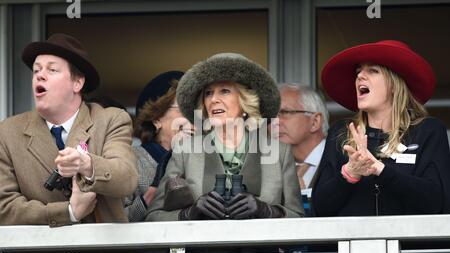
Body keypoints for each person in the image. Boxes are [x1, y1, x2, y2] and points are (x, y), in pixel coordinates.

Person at [0, 33, 138, 226]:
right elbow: (3, 208)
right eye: (36, 70)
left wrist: (87, 165)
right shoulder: (7, 132)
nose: (39, 75)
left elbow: (127, 178)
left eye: (52, 70)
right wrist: (69, 212)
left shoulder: (110, 120)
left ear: (77, 83)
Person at [146, 53, 304, 221]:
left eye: (224, 91)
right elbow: (153, 217)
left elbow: (298, 217)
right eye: (208, 93)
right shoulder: (185, 150)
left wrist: (268, 211)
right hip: (204, 246)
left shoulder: (280, 152)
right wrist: (188, 214)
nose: (213, 99)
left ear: (245, 101)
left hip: (261, 247)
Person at [314, 40, 450, 216]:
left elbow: (437, 203)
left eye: (373, 70)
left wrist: (380, 170)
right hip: (352, 243)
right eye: (358, 71)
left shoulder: (427, 131)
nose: (360, 76)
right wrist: (350, 173)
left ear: (394, 85)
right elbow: (319, 210)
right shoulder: (342, 133)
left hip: (410, 243)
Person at [124, 71, 194, 222]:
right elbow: (115, 222)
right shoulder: (129, 160)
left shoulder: (205, 161)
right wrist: (154, 191)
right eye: (184, 109)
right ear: (156, 118)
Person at [271, 84, 329, 216]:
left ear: (315, 121)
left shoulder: (342, 160)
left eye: (285, 113)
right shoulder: (270, 166)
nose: (275, 122)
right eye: (272, 115)